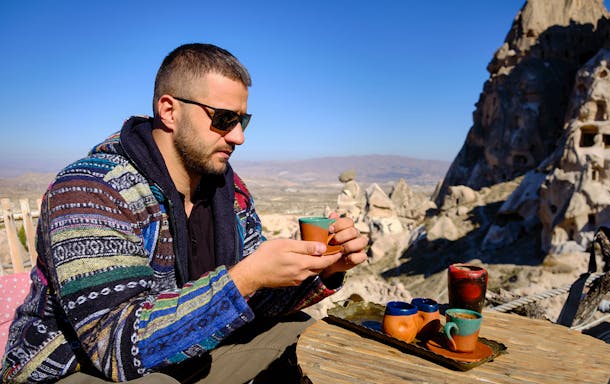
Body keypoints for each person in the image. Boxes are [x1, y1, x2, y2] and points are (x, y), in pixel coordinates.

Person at [1, 43, 368, 383]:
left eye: (244, 120)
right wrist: (245, 278)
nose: (239, 136)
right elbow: (112, 347)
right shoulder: (91, 191)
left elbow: (256, 301)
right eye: (224, 119)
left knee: (306, 334)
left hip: (185, 358)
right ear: (169, 110)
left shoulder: (229, 190)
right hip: (74, 369)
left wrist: (324, 270)